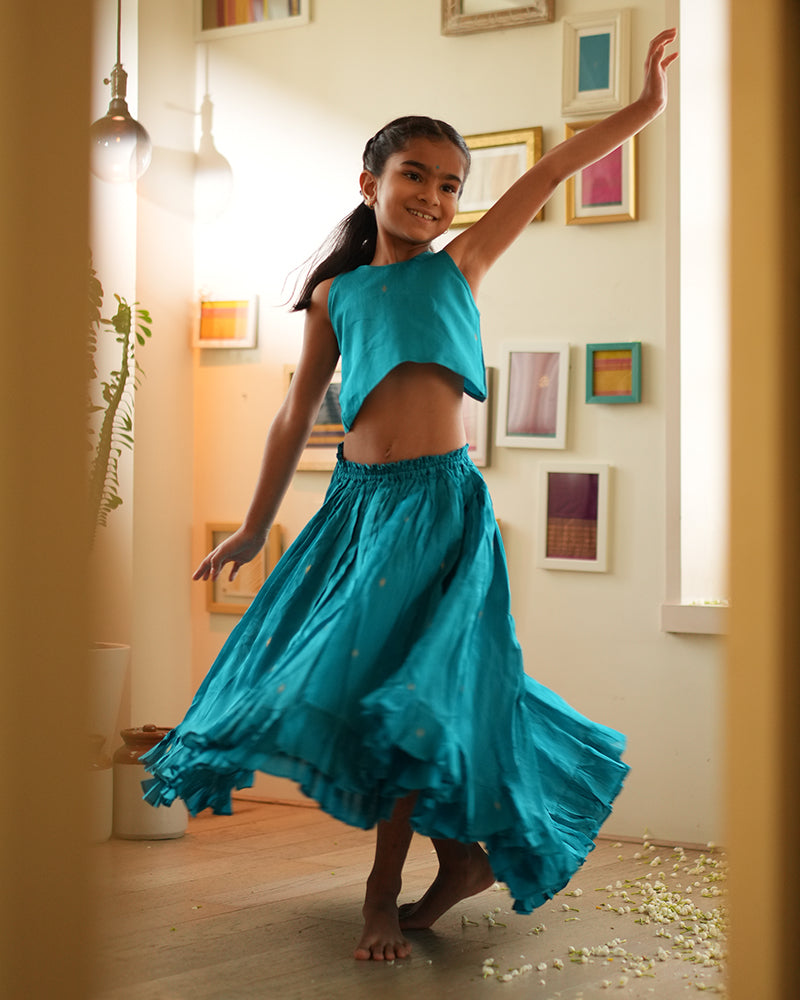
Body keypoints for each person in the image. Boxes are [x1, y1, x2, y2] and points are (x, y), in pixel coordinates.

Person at [142, 29, 678, 963]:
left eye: (449, 185)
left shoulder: (459, 267)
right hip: (356, 513)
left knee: (414, 697)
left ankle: (382, 895)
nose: (433, 197)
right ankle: (461, 858)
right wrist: (257, 527)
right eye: (415, 176)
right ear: (369, 183)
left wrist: (645, 108)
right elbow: (292, 415)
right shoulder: (334, 297)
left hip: (440, 513)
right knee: (369, 691)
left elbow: (550, 171)